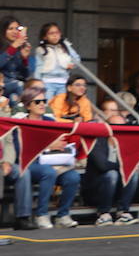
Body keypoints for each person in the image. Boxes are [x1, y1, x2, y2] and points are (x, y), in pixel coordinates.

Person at [6, 88, 83, 228]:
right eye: (37, 102)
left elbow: (60, 142)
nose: (42, 104)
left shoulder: (50, 121)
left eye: (44, 101)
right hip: (30, 163)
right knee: (48, 172)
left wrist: (59, 145)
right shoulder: (21, 124)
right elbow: (18, 149)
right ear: (28, 105)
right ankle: (41, 214)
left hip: (52, 162)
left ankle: (63, 215)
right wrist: (47, 146)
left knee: (73, 177)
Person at [86, 98, 139, 225]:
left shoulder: (126, 143)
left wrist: (130, 166)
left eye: (123, 127)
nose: (120, 130)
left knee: (133, 174)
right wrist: (124, 166)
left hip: (117, 190)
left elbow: (134, 164)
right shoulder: (97, 141)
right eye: (116, 127)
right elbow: (103, 166)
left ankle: (123, 212)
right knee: (112, 174)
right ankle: (103, 213)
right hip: (96, 190)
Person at [29, 22, 80, 100]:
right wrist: (37, 82)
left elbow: (76, 58)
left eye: (57, 32)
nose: (55, 35)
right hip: (47, 82)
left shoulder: (65, 46)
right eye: (51, 33)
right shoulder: (41, 49)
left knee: (61, 103)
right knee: (48, 102)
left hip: (64, 81)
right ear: (45, 37)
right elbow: (39, 66)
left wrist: (72, 65)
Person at [2, 17, 33, 105]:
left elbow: (25, 75)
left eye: (17, 29)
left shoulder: (20, 48)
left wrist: (24, 58)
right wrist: (12, 48)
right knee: (19, 85)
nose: (15, 32)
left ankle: (19, 111)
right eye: (10, 29)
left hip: (15, 85)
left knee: (14, 97)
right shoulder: (7, 46)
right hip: (3, 83)